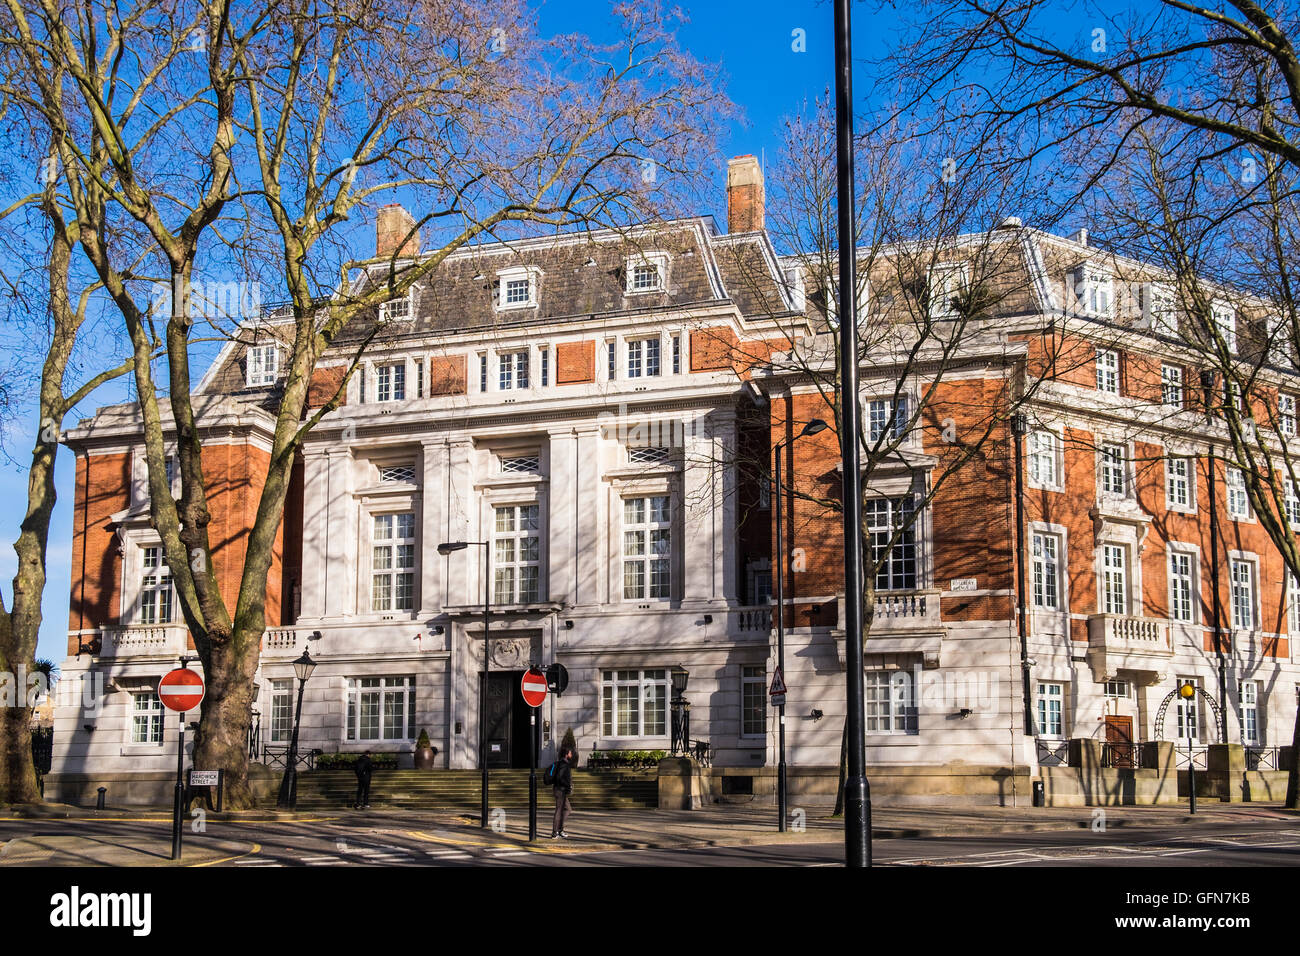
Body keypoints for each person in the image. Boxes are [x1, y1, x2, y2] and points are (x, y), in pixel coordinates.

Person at [550, 746, 575, 838]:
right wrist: (568, 786)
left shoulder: (560, 763)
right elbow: (560, 778)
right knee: (559, 810)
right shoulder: (564, 764)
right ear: (567, 754)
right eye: (570, 753)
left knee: (567, 809)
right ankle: (554, 832)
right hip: (560, 790)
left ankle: (559, 830)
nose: (571, 754)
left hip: (559, 790)